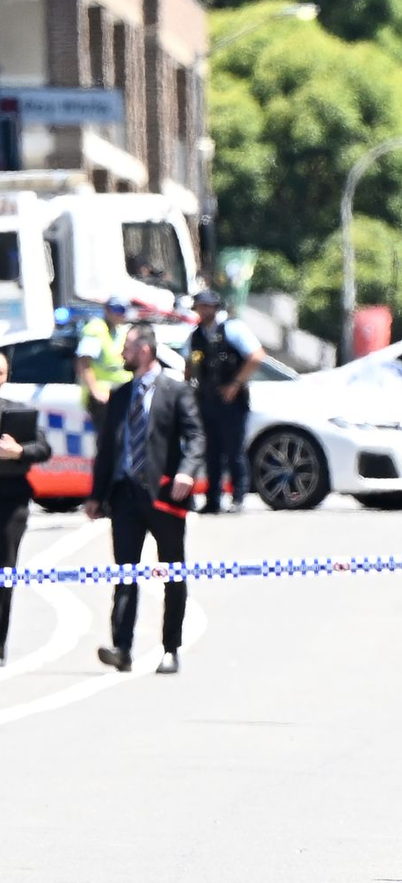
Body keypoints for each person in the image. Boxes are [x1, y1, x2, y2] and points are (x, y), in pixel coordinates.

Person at [85, 323, 205, 675]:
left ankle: (170, 648)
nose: (122, 353)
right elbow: (107, 449)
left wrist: (187, 471)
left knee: (172, 573)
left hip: (165, 496)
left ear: (146, 350)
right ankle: (121, 647)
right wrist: (95, 495)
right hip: (125, 497)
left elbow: (196, 437)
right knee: (125, 573)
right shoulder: (120, 395)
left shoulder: (175, 391)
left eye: (128, 347)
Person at [185, 289, 264, 514]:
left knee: (234, 451)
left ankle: (238, 497)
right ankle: (213, 500)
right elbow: (189, 366)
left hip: (232, 402)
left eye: (207, 306)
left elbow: (256, 356)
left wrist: (235, 384)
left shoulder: (233, 329)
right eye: (200, 306)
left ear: (215, 307)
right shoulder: (196, 335)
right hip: (206, 401)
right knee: (211, 453)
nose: (203, 310)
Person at [0, 351, 52, 668]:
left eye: (1, 373)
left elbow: (43, 448)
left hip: (11, 500)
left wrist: (18, 451)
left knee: (5, 571)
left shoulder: (17, 413)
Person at [75, 297, 132, 437]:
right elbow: (83, 363)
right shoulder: (96, 329)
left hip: (121, 395)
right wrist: (95, 391)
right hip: (103, 398)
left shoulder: (120, 331)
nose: (120, 314)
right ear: (107, 310)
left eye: (123, 310)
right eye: (117, 310)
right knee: (108, 443)